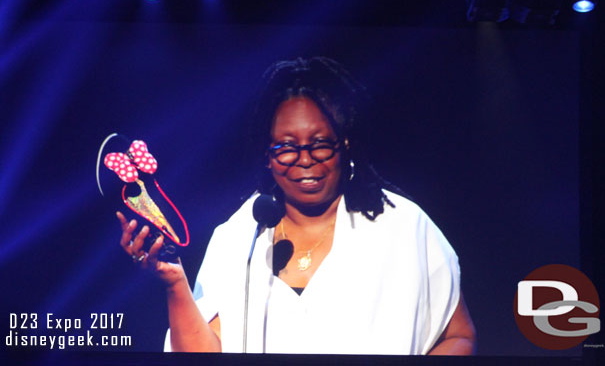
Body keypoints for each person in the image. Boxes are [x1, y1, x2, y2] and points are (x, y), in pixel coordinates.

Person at [117, 57, 476, 355]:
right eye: (287, 147)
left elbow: (459, 337)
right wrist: (174, 284)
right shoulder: (239, 238)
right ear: (268, 156)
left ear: (345, 144)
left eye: (320, 143)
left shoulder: (402, 225)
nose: (305, 160)